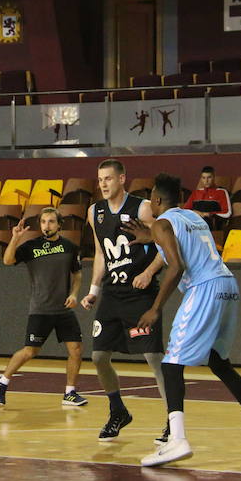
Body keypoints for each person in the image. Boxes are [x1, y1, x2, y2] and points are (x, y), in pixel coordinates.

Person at [121, 173, 241, 467]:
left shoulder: (162, 223)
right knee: (219, 362)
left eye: (152, 200)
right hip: (227, 285)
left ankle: (177, 440)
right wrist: (151, 237)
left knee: (171, 364)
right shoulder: (193, 218)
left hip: (205, 287)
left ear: (156, 200)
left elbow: (177, 266)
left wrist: (156, 307)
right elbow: (180, 242)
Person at [80, 159, 168, 443]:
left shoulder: (141, 208)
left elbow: (165, 244)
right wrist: (93, 288)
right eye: (100, 179)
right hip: (112, 294)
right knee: (98, 356)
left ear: (122, 179)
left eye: (108, 178)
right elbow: (99, 252)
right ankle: (118, 410)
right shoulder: (95, 212)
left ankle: (173, 420)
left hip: (141, 295)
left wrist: (148, 271)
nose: (103, 184)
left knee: (154, 358)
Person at [0, 208, 87, 407]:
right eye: (43, 222)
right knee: (30, 351)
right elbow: (8, 261)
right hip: (41, 308)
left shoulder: (69, 247)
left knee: (76, 349)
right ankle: (1, 382)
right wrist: (15, 238)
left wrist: (74, 294)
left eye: (51, 222)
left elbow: (76, 274)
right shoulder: (31, 246)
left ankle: (70, 393)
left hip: (64, 310)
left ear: (59, 225)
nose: (47, 226)